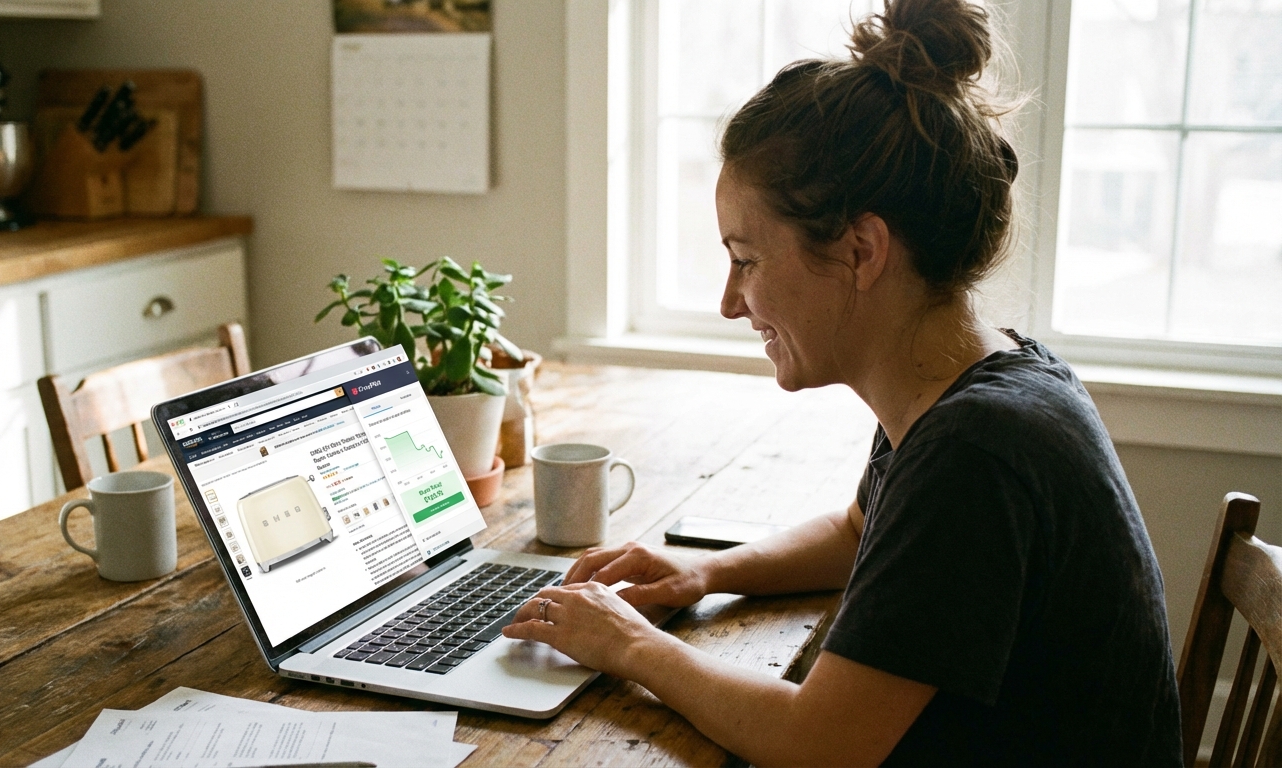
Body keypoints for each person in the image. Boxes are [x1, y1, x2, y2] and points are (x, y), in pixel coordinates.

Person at [502, 0, 1183, 764]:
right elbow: (861, 531)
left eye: (747, 258)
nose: (731, 302)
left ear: (861, 250)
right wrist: (705, 571)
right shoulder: (980, 379)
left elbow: (821, 745)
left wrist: (629, 644)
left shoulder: (974, 453)